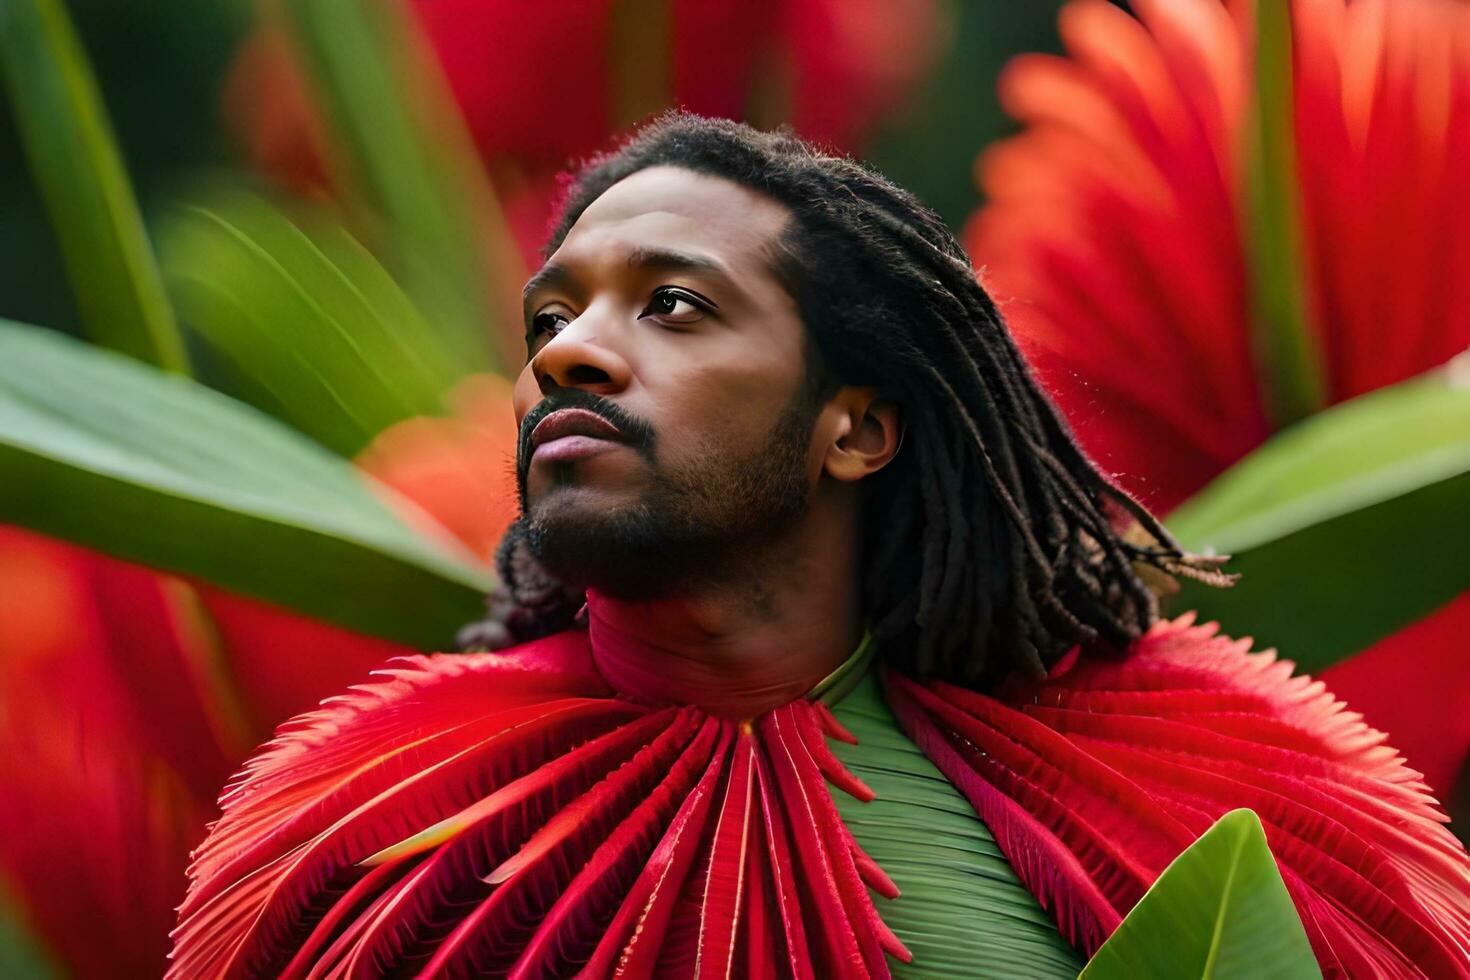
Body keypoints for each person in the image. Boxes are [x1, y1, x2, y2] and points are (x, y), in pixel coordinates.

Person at [169, 113, 1470, 978]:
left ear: (854, 427)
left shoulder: (1226, 797)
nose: (564, 350)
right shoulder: (374, 821)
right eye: (549, 314)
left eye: (673, 306)